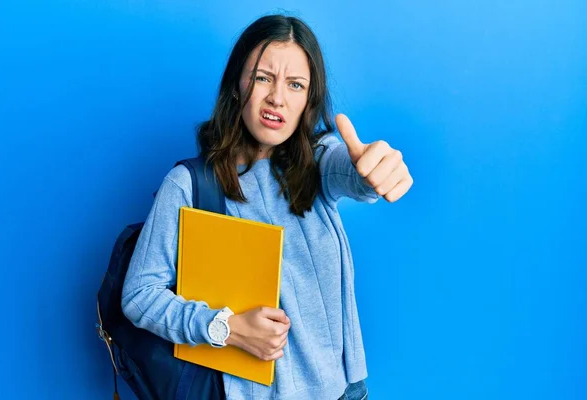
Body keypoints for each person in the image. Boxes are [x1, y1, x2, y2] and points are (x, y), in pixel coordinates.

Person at [121, 13, 413, 400]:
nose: (277, 97)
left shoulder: (320, 162)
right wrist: (226, 327)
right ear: (237, 86)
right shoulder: (189, 185)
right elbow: (139, 295)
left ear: (308, 100)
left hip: (346, 391)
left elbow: (354, 172)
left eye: (295, 84)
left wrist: (375, 170)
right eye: (263, 77)